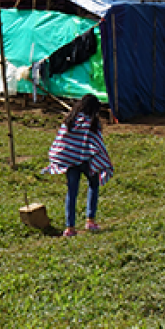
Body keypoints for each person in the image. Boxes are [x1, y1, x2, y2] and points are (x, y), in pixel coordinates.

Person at [46, 95, 113, 237]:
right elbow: (97, 143)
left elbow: (62, 141)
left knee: (71, 193)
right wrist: (103, 160)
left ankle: (70, 228)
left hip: (71, 162)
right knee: (93, 186)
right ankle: (90, 220)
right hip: (88, 162)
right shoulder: (93, 122)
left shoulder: (69, 121)